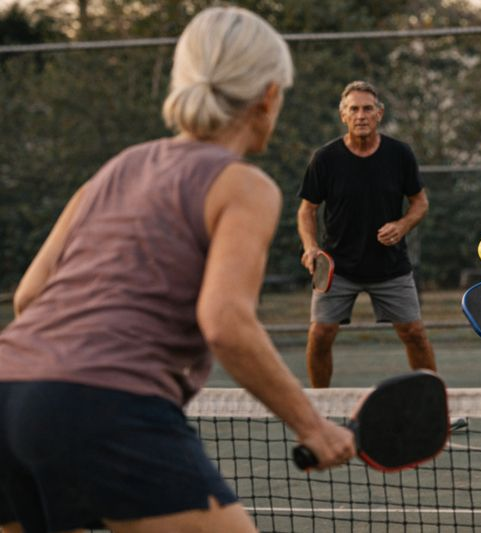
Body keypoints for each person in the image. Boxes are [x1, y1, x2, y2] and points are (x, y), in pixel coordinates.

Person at [0, 7, 354, 533]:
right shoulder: (244, 187)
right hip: (103, 408)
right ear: (269, 96)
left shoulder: (119, 167)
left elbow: (30, 297)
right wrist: (314, 427)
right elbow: (225, 323)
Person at [297, 81, 436, 388]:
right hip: (337, 267)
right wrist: (311, 247)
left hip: (389, 267)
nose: (361, 115)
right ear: (343, 115)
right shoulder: (325, 159)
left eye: (367, 109)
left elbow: (420, 203)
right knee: (320, 335)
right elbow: (307, 210)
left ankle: (433, 404)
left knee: (414, 333)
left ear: (379, 114)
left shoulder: (400, 155)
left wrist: (402, 225)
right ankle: (320, 408)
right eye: (354, 109)